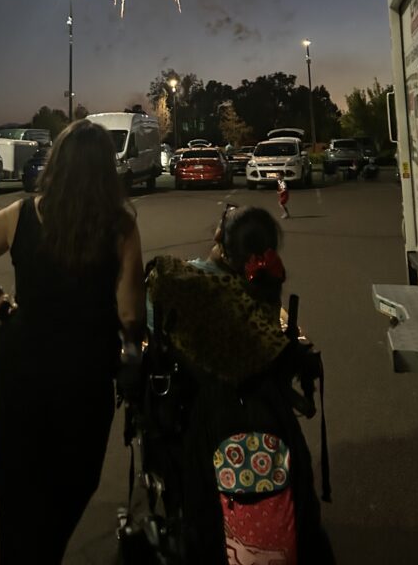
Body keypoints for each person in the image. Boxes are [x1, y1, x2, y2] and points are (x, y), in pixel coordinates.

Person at [0, 119, 145, 565]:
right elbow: (130, 313)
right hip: (85, 373)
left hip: (20, 370)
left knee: (18, 492)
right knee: (75, 481)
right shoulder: (120, 227)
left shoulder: (23, 214)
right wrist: (133, 344)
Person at [146, 204, 333, 564]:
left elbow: (155, 291)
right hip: (274, 418)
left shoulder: (198, 285)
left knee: (205, 514)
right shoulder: (263, 293)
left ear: (219, 239)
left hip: (214, 422)